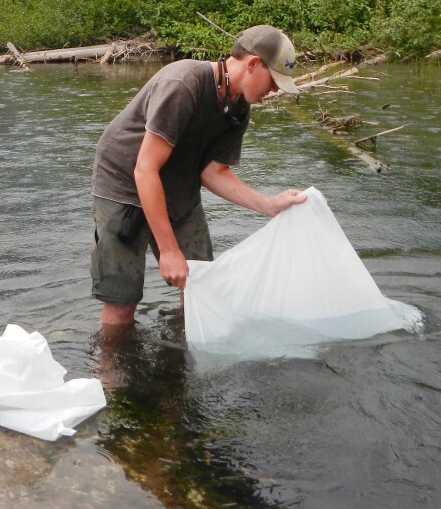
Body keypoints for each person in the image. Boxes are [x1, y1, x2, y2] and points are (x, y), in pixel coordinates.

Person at [90, 24, 307, 326]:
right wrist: (168, 251)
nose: (274, 91)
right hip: (124, 183)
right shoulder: (183, 83)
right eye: (273, 81)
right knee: (122, 299)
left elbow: (213, 172)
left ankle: (183, 357)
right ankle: (110, 370)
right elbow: (145, 169)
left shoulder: (239, 109)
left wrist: (267, 205)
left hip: (178, 184)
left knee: (202, 286)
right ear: (253, 64)